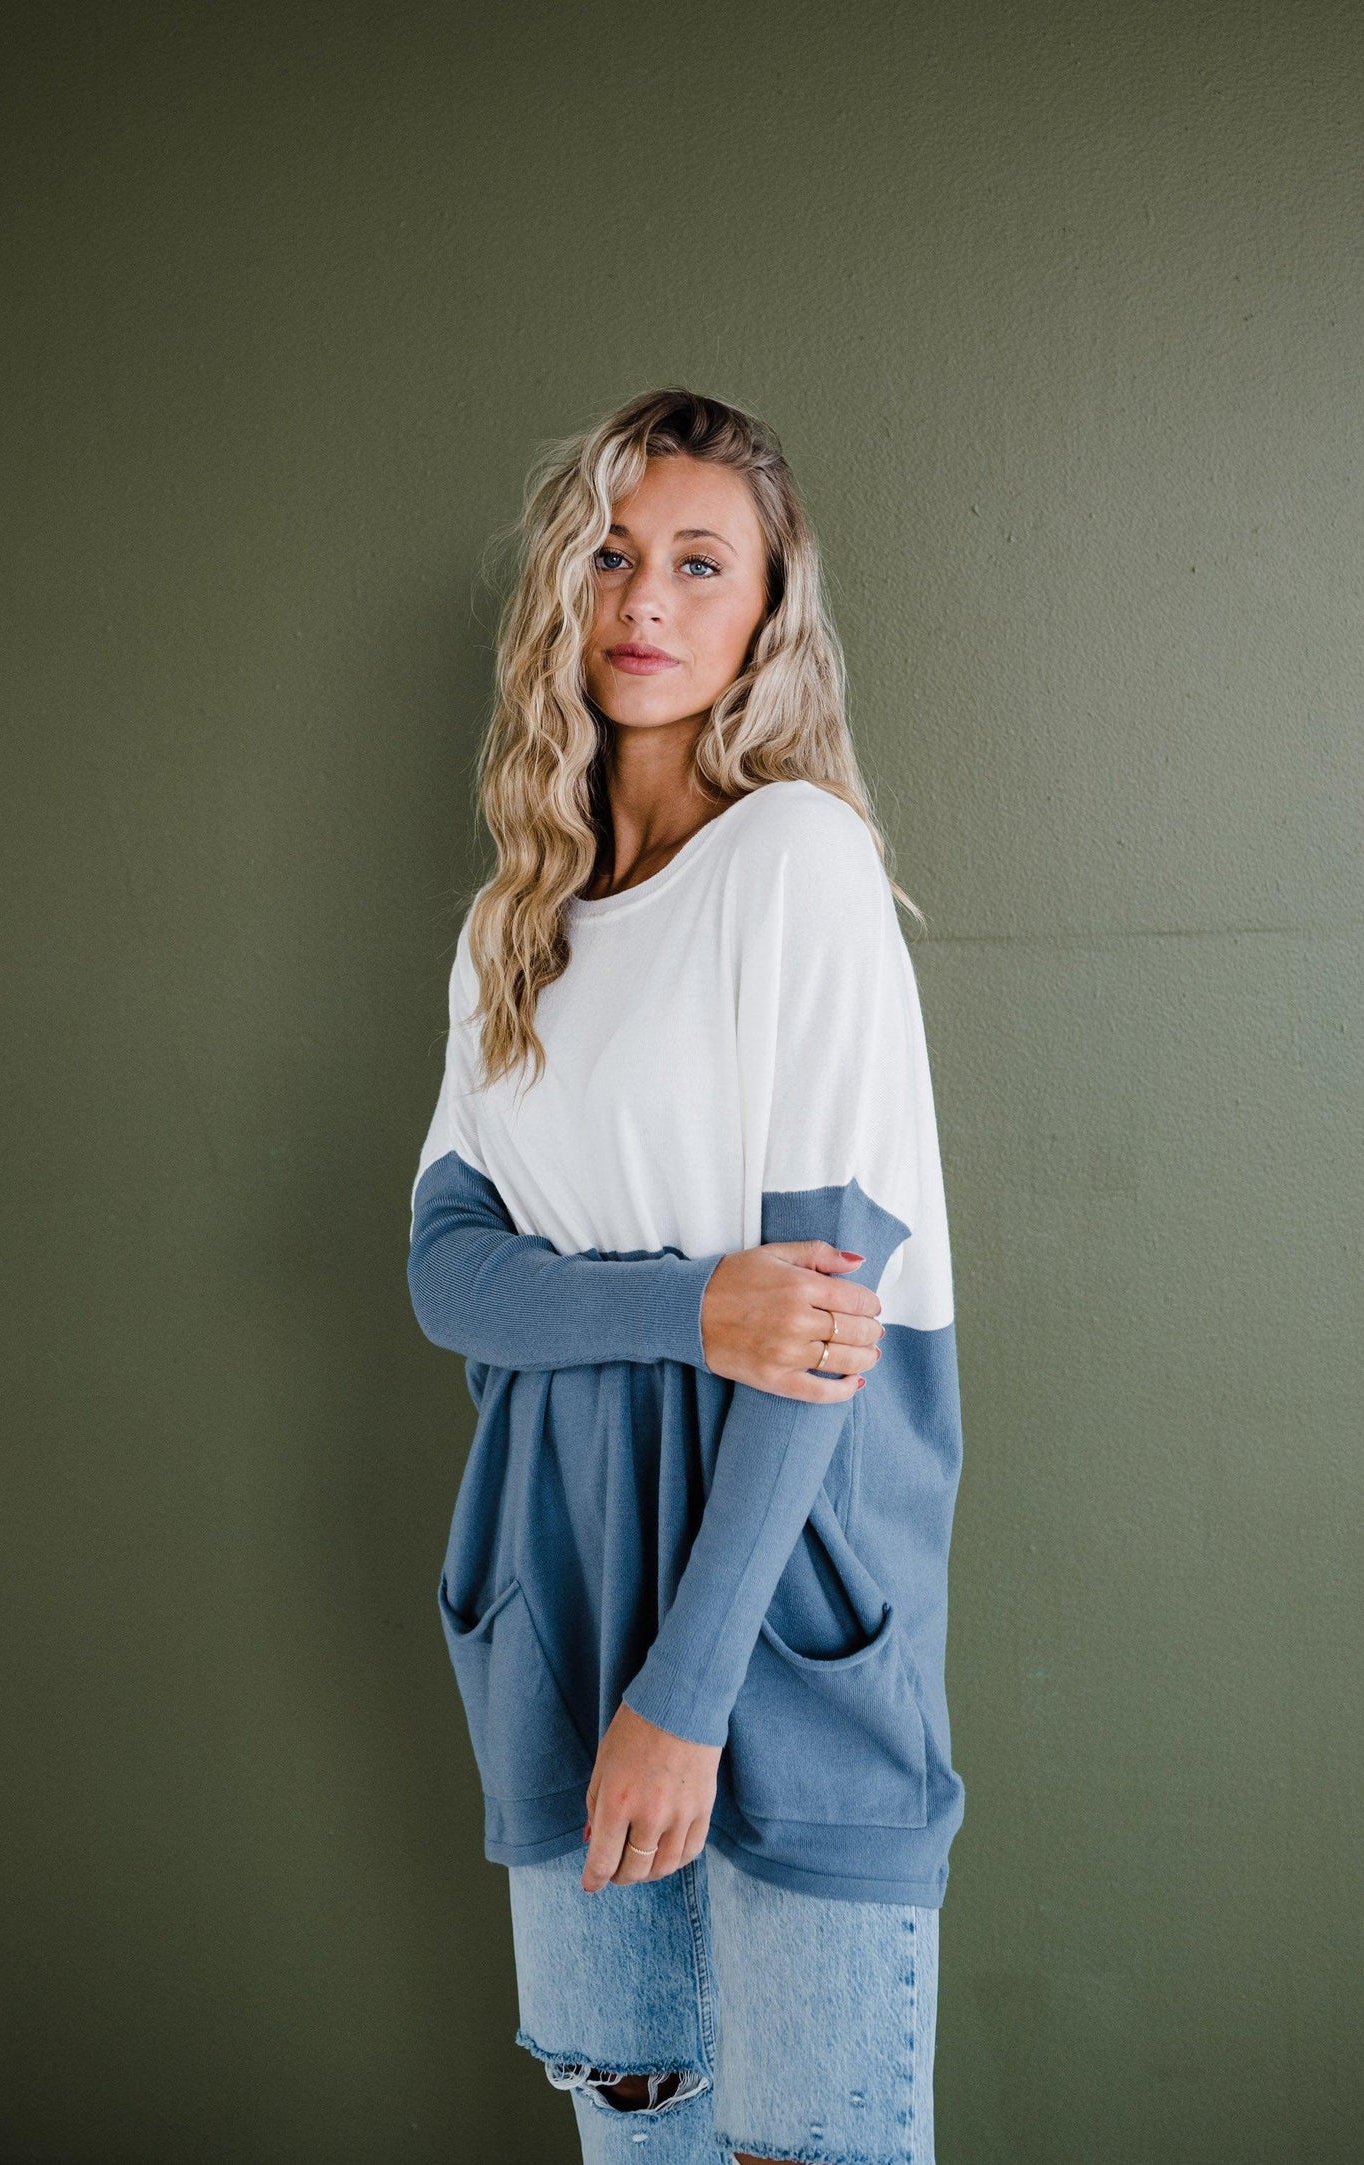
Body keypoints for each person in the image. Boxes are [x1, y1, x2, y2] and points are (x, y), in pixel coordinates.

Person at [408, 386, 966, 2165]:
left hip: (770, 1612)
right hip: (558, 1601)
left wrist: (685, 1694)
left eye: (698, 563)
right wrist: (683, 1302)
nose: (643, 599)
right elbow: (445, 1273)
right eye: (608, 554)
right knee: (637, 2143)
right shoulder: (513, 928)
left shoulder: (796, 864)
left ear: (765, 608)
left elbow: (818, 1328)